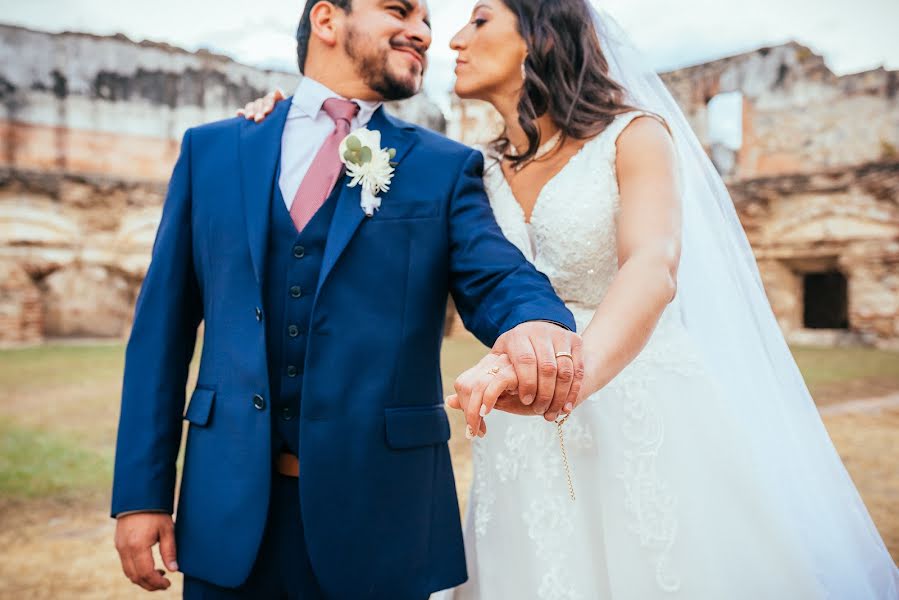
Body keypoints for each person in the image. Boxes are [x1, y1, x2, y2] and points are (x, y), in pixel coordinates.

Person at [245, 0, 899, 598]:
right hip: (518, 412)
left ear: (536, 35)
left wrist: (569, 374)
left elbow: (652, 264)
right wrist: (293, 125)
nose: (452, 42)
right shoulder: (463, 172)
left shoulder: (632, 136)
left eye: (477, 21)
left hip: (640, 399)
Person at [110, 1, 585, 598]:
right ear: (328, 21)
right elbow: (161, 334)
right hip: (223, 513)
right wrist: (140, 494)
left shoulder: (443, 167)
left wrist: (534, 322)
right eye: (398, 9)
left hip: (382, 517)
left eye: (427, 22)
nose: (423, 31)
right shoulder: (212, 151)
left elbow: (496, 276)